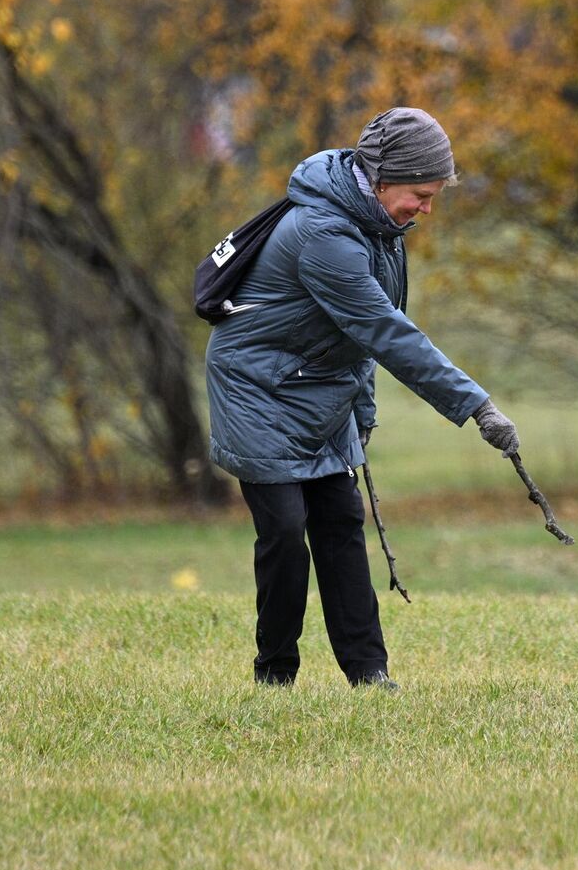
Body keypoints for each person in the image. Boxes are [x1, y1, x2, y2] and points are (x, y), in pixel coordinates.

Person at [204, 107, 520, 689]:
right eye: (420, 194)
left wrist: (363, 415)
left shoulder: (382, 231)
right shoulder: (323, 235)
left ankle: (369, 677)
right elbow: (385, 330)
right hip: (258, 389)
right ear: (380, 177)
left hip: (321, 387)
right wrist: (476, 405)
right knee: (285, 531)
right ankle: (275, 674)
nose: (425, 210)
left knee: (343, 521)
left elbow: (361, 337)